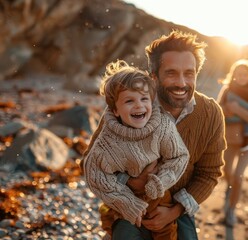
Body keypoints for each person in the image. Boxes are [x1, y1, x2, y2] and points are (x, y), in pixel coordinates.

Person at [83, 30, 227, 240]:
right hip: (130, 204)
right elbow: (89, 162)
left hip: (176, 206)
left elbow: (209, 172)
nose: (181, 83)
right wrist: (132, 182)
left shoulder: (210, 113)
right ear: (154, 76)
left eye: (189, 73)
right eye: (171, 73)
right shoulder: (130, 108)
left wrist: (174, 211)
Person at [82, 59, 189, 240]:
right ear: (115, 110)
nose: (139, 105)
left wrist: (160, 181)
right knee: (121, 231)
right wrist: (126, 201)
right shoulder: (108, 140)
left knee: (168, 235)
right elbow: (96, 174)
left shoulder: (162, 126)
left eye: (144, 99)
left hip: (159, 197)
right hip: (125, 203)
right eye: (129, 101)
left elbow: (179, 156)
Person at [217, 59, 248, 227]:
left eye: (244, 74)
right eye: (238, 74)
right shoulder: (227, 89)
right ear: (233, 75)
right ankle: (230, 188)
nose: (241, 77)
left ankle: (231, 210)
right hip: (229, 140)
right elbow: (218, 110)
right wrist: (228, 109)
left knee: (238, 176)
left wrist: (236, 108)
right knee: (226, 172)